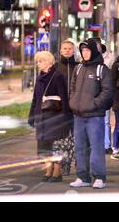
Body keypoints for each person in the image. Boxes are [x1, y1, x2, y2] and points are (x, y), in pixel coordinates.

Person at [69, 38, 114, 189]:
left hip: (95, 116)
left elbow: (107, 92)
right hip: (79, 115)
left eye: (87, 50)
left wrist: (94, 104)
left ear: (93, 51)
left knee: (96, 147)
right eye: (82, 51)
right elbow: (73, 88)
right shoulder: (79, 68)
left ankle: (99, 177)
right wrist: (73, 102)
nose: (84, 53)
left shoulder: (102, 69)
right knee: (80, 147)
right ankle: (83, 177)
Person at [28, 51, 70, 182]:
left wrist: (66, 117)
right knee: (44, 146)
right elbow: (35, 98)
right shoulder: (39, 78)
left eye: (40, 61)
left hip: (55, 118)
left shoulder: (58, 76)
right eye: (38, 61)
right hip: (41, 118)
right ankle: (48, 170)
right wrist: (32, 116)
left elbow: (64, 98)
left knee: (56, 146)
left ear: (48, 62)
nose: (38, 64)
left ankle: (57, 172)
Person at [53, 39, 78, 175]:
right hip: (61, 109)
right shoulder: (56, 67)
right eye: (65, 48)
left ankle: (79, 164)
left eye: (70, 48)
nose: (67, 50)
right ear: (60, 51)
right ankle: (64, 165)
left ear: (73, 51)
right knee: (62, 140)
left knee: (77, 138)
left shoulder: (79, 66)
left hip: (76, 108)